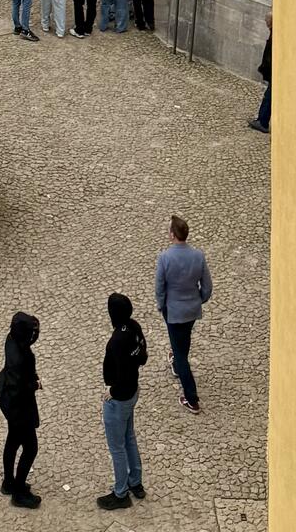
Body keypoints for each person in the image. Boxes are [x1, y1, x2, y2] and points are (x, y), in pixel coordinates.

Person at [155, 214, 213, 413]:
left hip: (173, 310)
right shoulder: (198, 256)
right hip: (192, 310)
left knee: (180, 354)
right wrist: (199, 299)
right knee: (183, 339)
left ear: (172, 235)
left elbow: (160, 287)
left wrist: (161, 305)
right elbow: (207, 287)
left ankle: (191, 398)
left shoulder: (165, 258)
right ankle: (178, 362)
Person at [98, 292, 148, 510]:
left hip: (120, 399)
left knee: (117, 447)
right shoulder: (134, 327)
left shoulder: (116, 341)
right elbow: (142, 357)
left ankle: (120, 493)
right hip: (133, 392)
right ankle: (135, 482)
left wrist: (113, 390)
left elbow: (120, 372)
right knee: (129, 437)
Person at [0, 310, 41, 509]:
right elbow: (20, 387)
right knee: (30, 448)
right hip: (20, 408)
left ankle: (9, 482)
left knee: (12, 440)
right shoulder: (21, 358)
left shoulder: (11, 340)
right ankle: (19, 493)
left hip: (10, 404)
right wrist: (35, 385)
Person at [249, 16, 272, 133]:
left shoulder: (274, 37)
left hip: (272, 72)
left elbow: (269, 57)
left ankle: (262, 122)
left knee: (269, 97)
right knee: (269, 95)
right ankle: (262, 120)